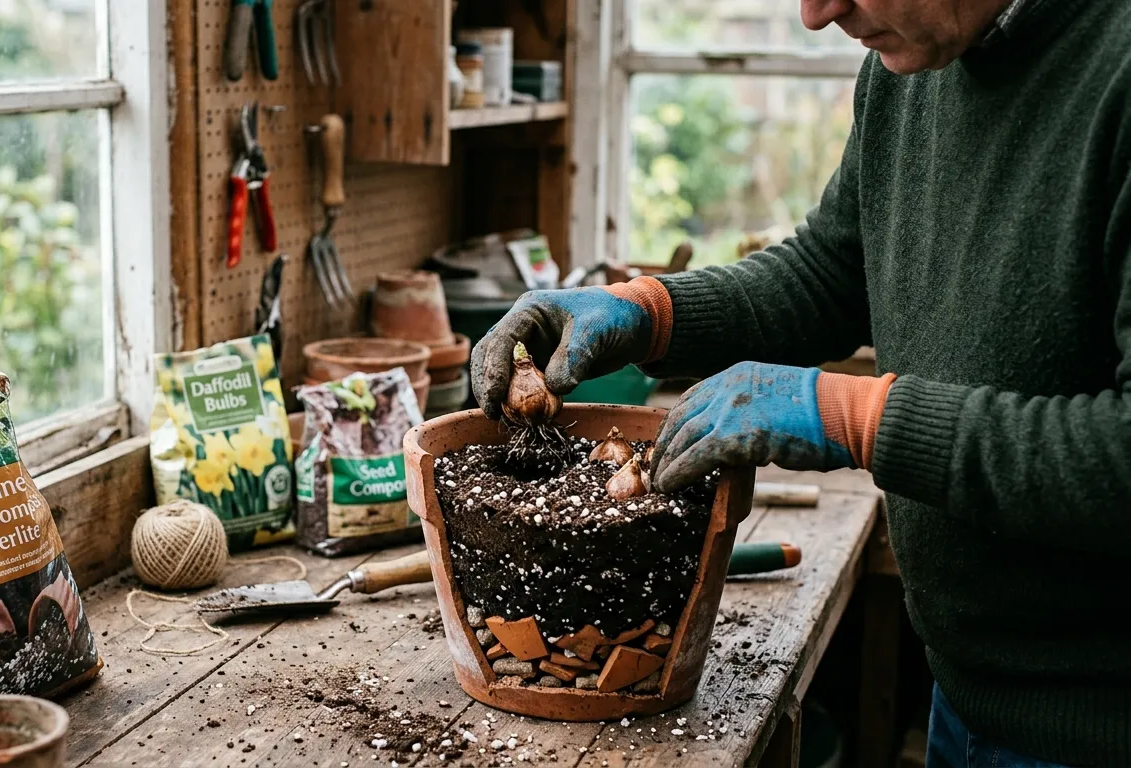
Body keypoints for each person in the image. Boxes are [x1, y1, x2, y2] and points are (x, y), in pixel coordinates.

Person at [470, 0, 1131, 765]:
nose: (818, 15)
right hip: (970, 686)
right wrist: (650, 312)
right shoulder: (914, 65)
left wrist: (861, 418)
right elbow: (831, 272)